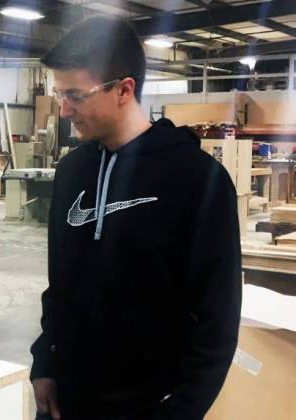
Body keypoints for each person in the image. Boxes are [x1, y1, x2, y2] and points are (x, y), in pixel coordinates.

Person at [30, 16, 242, 420]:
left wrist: (181, 410)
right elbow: (60, 285)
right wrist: (45, 362)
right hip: (66, 403)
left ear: (124, 89)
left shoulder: (198, 179)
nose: (62, 109)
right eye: (59, 94)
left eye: (74, 94)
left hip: (150, 407)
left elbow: (218, 318)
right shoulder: (72, 170)